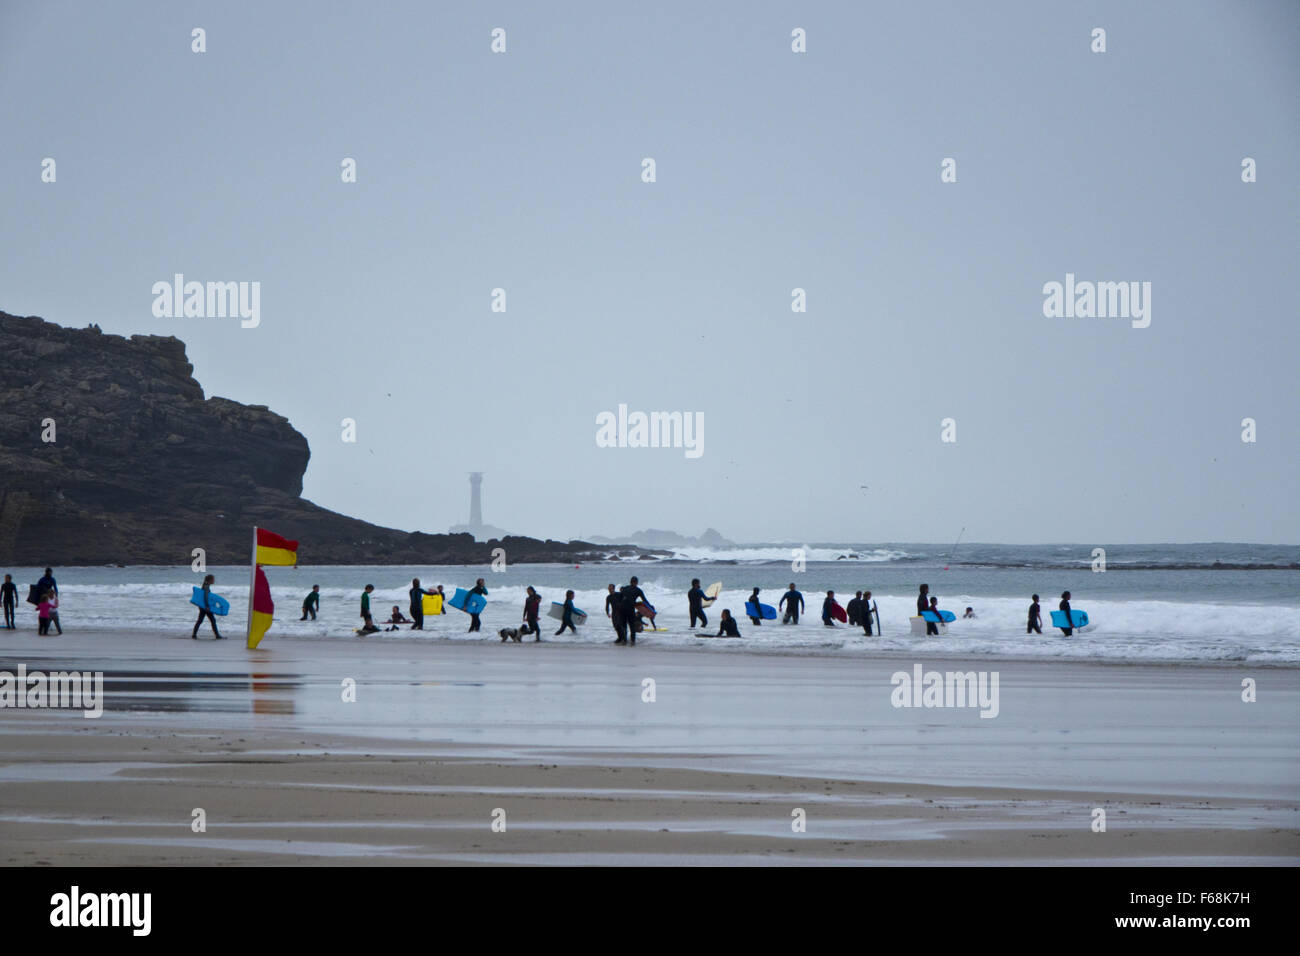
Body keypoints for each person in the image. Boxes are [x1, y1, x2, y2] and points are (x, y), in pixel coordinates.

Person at [618, 577, 650, 645]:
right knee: (632, 626)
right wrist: (650, 607)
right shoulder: (638, 590)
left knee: (624, 626)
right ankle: (632, 642)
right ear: (636, 582)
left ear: (630, 582)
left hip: (622, 609)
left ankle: (624, 641)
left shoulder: (625, 588)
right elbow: (644, 600)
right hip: (630, 609)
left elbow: (620, 598)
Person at [192, 574, 222, 640]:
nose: (214, 581)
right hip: (205, 607)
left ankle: (194, 634)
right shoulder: (206, 586)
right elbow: (205, 596)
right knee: (212, 620)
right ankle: (217, 635)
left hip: (203, 607)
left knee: (200, 620)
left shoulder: (205, 585)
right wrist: (207, 606)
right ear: (210, 580)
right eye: (213, 579)